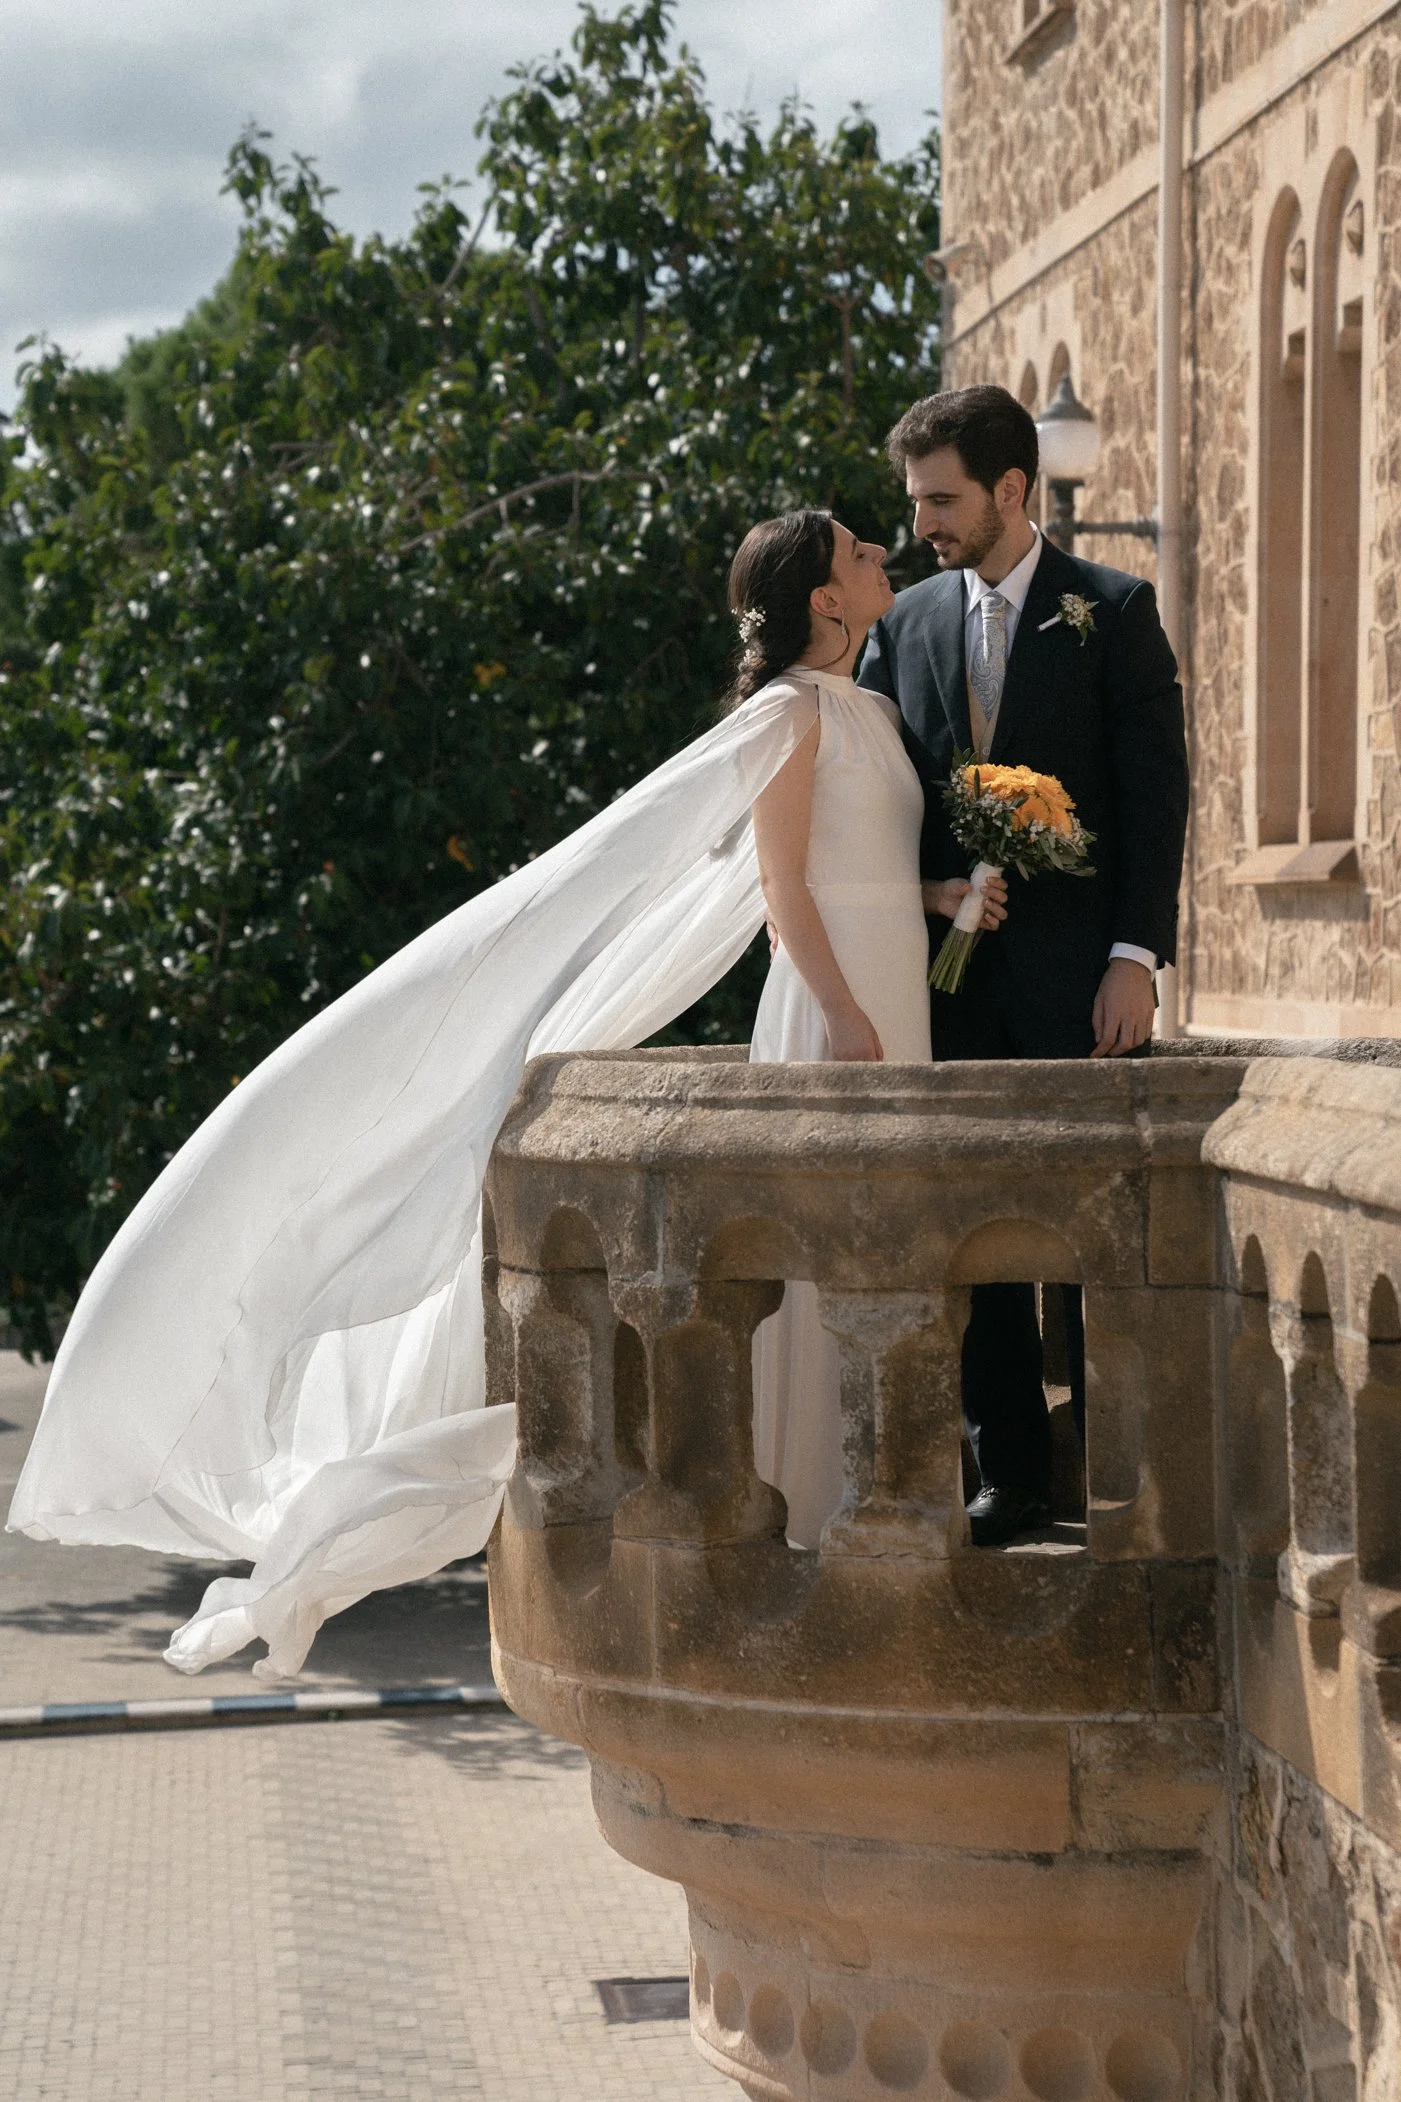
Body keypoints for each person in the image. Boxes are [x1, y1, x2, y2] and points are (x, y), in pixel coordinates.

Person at [7, 507, 999, 1676]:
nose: (884, 556)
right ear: (826, 598)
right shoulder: (784, 716)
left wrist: (947, 900)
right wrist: (841, 1014)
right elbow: (783, 887)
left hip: (900, 988)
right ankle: (806, 1504)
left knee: (889, 1248)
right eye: (861, 555)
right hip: (838, 1005)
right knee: (821, 1257)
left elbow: (864, 859)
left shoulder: (873, 708)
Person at [859, 384, 1190, 1546]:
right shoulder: (899, 630)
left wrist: (1135, 956)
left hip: (1083, 984)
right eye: (914, 503)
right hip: (949, 992)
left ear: (1012, 489)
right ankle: (1008, 1467)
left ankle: (1113, 1464)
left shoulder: (1116, 608)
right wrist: (930, 904)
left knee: (1095, 1236)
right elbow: (875, 811)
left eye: (941, 500)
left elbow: (1156, 802)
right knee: (976, 1235)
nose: (924, 526)